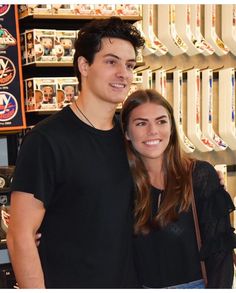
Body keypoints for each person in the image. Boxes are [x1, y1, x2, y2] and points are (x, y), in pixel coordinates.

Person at [6, 17, 145, 288]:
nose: (123, 74)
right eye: (111, 61)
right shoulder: (46, 141)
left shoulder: (130, 137)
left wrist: (202, 181)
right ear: (84, 65)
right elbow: (20, 236)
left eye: (129, 65)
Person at [120, 89, 236, 288]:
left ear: (172, 127)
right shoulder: (121, 183)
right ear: (127, 132)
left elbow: (221, 256)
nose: (153, 131)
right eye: (141, 123)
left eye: (161, 121)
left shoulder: (198, 175)